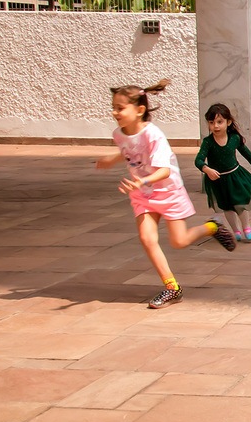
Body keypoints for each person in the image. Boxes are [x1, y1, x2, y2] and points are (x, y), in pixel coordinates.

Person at [96, 79, 236, 309]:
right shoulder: (119, 134)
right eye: (114, 107)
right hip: (142, 194)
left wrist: (143, 179)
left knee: (179, 241)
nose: (115, 112)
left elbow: (164, 170)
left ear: (139, 110)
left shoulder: (154, 135)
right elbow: (128, 150)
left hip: (168, 191)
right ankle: (172, 288)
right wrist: (111, 159)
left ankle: (212, 227)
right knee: (147, 238)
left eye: (120, 108)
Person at [195, 103, 251, 242]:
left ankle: (246, 227)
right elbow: (198, 160)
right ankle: (236, 230)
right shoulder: (208, 142)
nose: (215, 126)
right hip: (218, 180)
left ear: (228, 122)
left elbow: (246, 153)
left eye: (219, 122)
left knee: (240, 201)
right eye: (211, 122)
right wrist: (207, 169)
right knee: (227, 206)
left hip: (235, 176)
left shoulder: (234, 138)